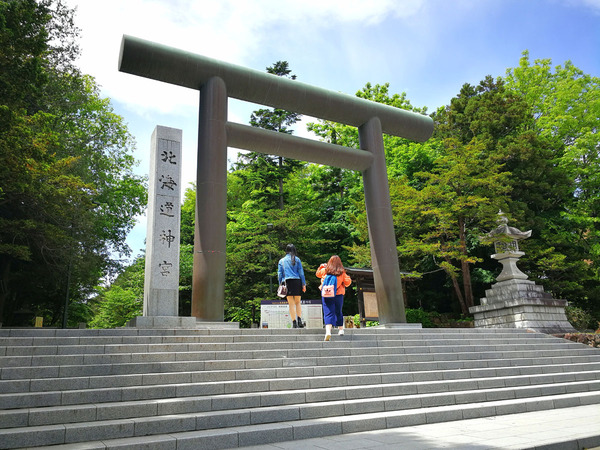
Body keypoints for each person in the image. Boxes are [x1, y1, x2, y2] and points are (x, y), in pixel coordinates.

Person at [316, 255, 352, 341]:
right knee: (338, 311)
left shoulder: (325, 270)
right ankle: (341, 330)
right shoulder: (341, 272)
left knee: (328, 312)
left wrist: (322, 266)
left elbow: (317, 274)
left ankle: (328, 332)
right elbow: (347, 283)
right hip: (338, 294)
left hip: (327, 293)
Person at [277, 244, 307, 328]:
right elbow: (301, 273)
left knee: (291, 303)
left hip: (287, 282)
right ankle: (299, 320)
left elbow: (279, 274)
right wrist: (303, 284)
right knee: (298, 302)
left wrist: (280, 283)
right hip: (297, 281)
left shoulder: (282, 261)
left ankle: (294, 322)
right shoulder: (297, 260)